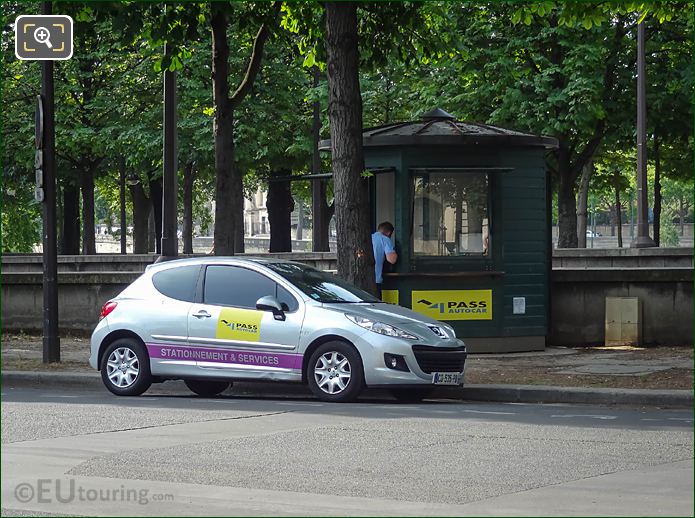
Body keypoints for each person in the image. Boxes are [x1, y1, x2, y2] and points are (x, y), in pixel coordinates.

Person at [372, 221, 398, 298]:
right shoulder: (385, 239)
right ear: (389, 233)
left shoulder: (369, 237)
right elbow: (392, 259)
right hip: (376, 279)